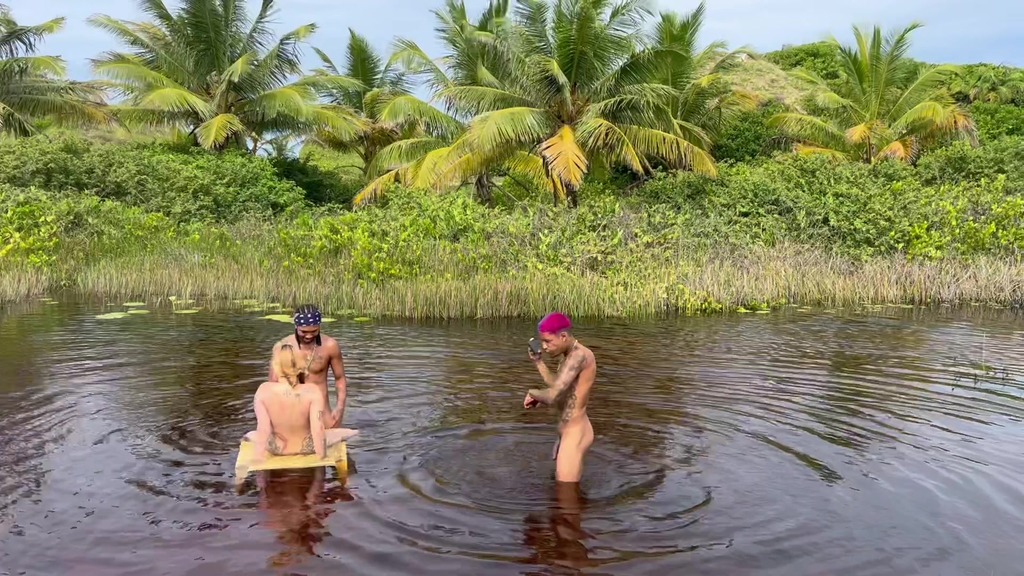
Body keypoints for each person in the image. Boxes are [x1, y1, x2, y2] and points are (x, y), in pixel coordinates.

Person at [246, 343, 358, 464]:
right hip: (307, 448)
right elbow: (318, 429)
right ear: (299, 365)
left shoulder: (263, 390)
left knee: (250, 434)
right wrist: (322, 457)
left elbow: (264, 429)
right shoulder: (312, 390)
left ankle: (243, 480)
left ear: (275, 365)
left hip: (277, 449)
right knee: (352, 433)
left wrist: (258, 457)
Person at [523, 312, 596, 484]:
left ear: (563, 336)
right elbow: (558, 386)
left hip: (576, 432)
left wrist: (532, 393)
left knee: (566, 496)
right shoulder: (568, 356)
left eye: (548, 341)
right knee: (562, 492)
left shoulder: (579, 356)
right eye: (542, 342)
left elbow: (552, 396)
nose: (545, 347)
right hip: (569, 431)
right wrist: (539, 362)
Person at [269, 304, 350, 429]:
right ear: (296, 326)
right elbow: (273, 385)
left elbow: (340, 379)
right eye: (304, 332)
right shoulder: (282, 347)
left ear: (319, 326)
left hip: (322, 413)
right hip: (292, 412)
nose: (309, 336)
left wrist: (340, 409)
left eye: (314, 331)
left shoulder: (330, 346)